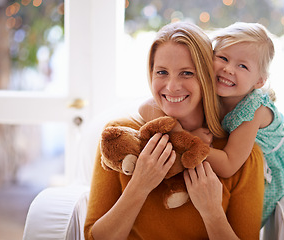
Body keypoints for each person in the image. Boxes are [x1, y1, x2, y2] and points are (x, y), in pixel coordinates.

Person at [84, 22, 265, 240]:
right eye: (162, 72)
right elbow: (94, 237)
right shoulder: (120, 138)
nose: (171, 86)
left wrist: (212, 213)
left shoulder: (240, 156)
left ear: (207, 77)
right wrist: (140, 185)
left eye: (186, 73)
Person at [140, 22, 284, 226]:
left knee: (238, 219)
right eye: (223, 58)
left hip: (269, 173)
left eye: (243, 66)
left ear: (259, 81)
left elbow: (229, 164)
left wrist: (186, 137)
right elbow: (145, 107)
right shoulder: (213, 90)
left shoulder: (253, 109)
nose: (228, 69)